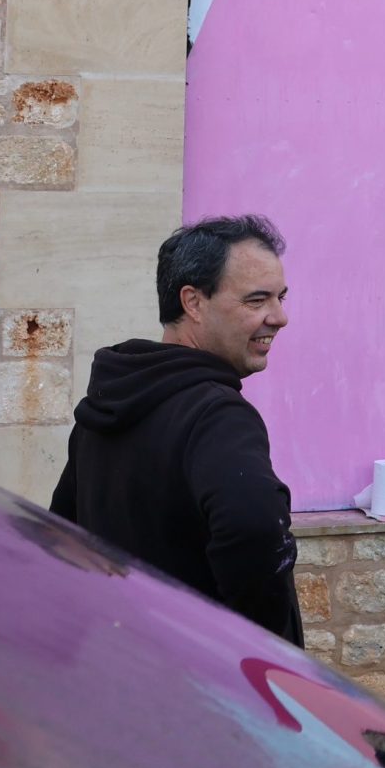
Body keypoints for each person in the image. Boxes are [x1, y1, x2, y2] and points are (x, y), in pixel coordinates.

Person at [48, 216, 302, 643]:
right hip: (205, 682)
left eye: (280, 297)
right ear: (193, 302)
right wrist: (259, 646)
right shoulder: (216, 414)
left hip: (126, 666)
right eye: (256, 300)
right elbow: (254, 528)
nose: (279, 317)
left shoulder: (106, 402)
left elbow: (62, 536)